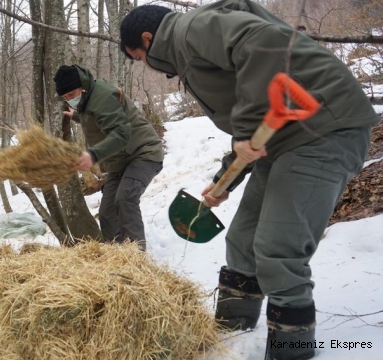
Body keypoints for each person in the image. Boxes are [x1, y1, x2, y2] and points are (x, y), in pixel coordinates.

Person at [119, 1, 379, 359]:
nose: (145, 65)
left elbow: (265, 43)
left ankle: (292, 348)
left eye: (139, 57)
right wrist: (227, 176)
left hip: (324, 129)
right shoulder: (190, 43)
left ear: (148, 40)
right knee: (243, 241)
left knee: (278, 248)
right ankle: (231, 333)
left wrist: (244, 130)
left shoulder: (190, 30)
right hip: (285, 138)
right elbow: (252, 106)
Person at [53, 65, 164, 251]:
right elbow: (99, 116)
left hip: (143, 154)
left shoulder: (103, 96)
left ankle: (136, 258)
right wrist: (77, 116)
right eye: (65, 98)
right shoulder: (86, 100)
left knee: (125, 199)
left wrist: (93, 155)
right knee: (107, 213)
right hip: (120, 162)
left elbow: (121, 134)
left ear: (82, 86)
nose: (70, 100)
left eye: (72, 94)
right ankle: (117, 255)